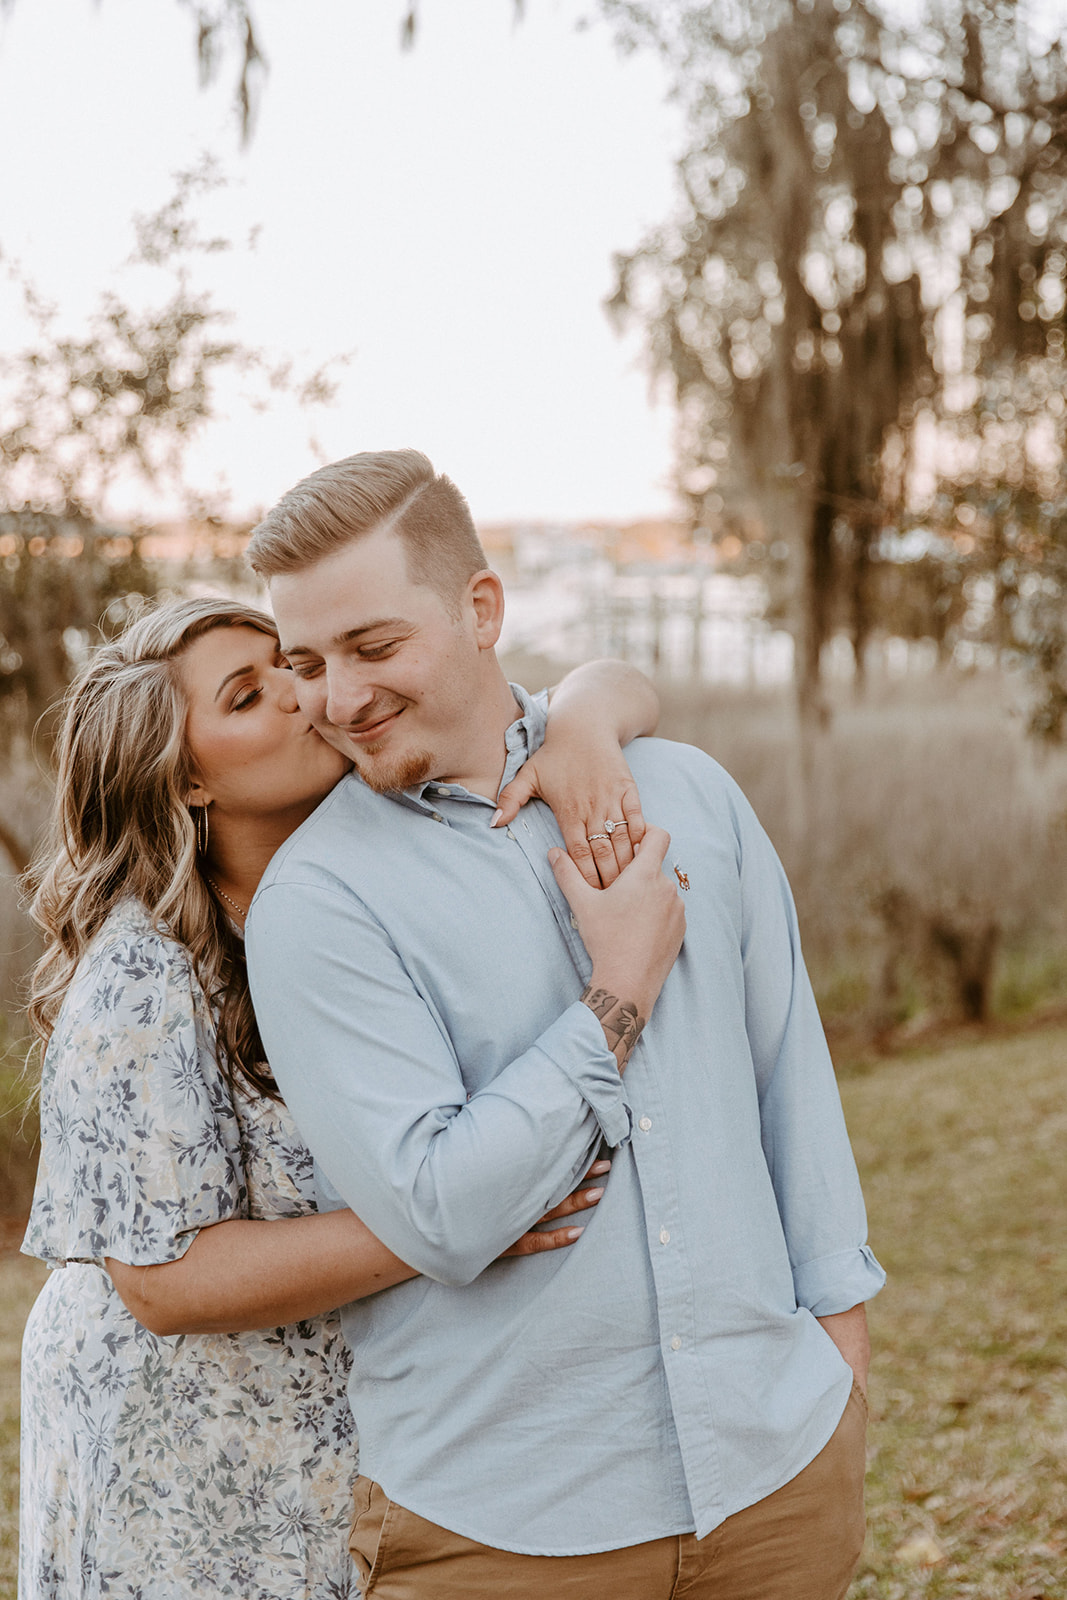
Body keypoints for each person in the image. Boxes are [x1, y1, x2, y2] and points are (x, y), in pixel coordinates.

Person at [244, 448, 887, 1600]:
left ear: (481, 609)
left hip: (775, 1474)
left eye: (373, 646)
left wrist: (834, 1363)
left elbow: (788, 1081)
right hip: (505, 1528)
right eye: (305, 662)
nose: (338, 699)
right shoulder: (316, 904)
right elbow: (443, 1212)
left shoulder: (686, 792)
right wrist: (619, 988)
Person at [18, 593, 673, 1600]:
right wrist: (455, 1219)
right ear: (186, 775)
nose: (299, 694)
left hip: (341, 1418)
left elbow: (610, 684)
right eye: (248, 695)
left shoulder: (357, 878)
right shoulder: (146, 974)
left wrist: (581, 720)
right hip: (183, 1444)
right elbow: (162, 1279)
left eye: (287, 664)